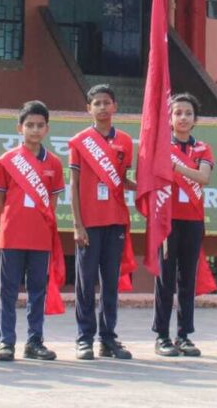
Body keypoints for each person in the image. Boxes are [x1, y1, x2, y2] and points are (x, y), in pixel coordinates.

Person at [0, 100, 66, 362]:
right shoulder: (7, 161)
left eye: (40, 125)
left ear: (47, 129)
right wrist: (9, 223)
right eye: (30, 125)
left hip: (40, 237)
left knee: (37, 291)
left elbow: (52, 202)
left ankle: (34, 342)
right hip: (11, 236)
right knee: (8, 292)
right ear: (19, 128)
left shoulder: (54, 163)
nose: (35, 130)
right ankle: (6, 342)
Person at [68, 84, 136, 361]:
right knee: (86, 283)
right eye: (97, 103)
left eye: (107, 102)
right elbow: (74, 185)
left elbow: (123, 179)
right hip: (89, 223)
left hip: (115, 220)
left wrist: (146, 187)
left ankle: (108, 339)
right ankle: (84, 339)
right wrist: (77, 224)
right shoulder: (79, 142)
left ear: (115, 106)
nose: (102, 107)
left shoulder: (126, 141)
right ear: (89, 109)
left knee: (110, 283)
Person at [152, 93, 216, 357]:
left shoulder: (202, 149)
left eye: (188, 113)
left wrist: (176, 167)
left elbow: (203, 177)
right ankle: (162, 336)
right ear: (169, 118)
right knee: (165, 279)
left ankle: (184, 335)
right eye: (178, 113)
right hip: (167, 220)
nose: (183, 118)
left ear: (195, 119)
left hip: (193, 220)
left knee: (187, 279)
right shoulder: (160, 147)